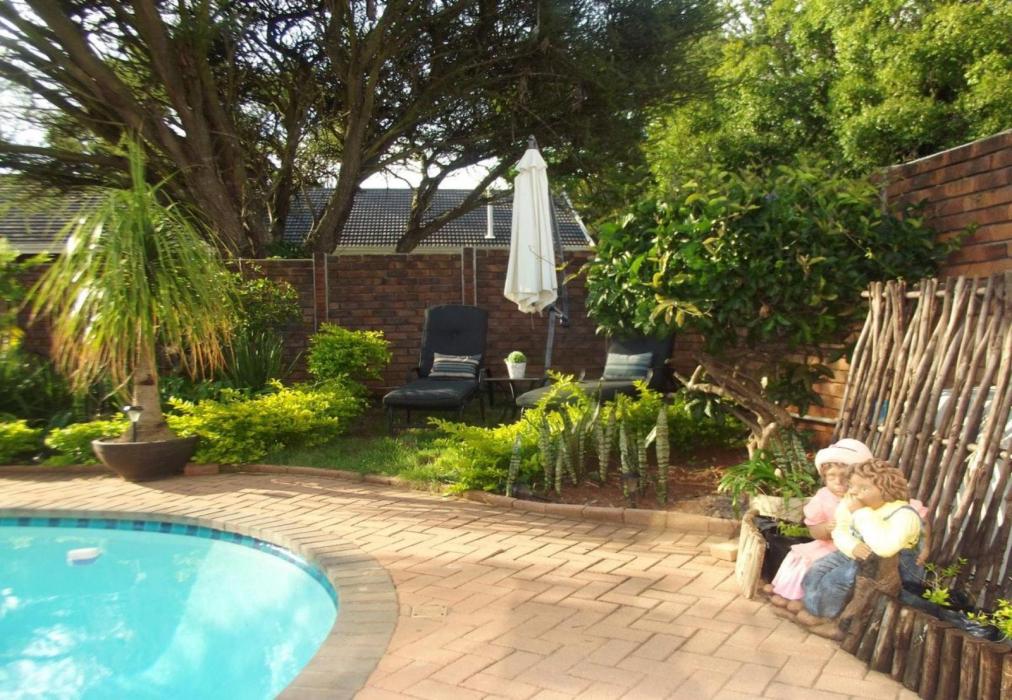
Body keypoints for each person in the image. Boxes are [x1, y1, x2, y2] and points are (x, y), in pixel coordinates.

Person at [797, 459, 924, 626]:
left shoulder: (903, 514)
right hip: (856, 551)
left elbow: (885, 548)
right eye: (852, 485)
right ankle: (814, 609)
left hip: (889, 564)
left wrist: (860, 512)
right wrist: (852, 546)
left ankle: (829, 618)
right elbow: (840, 529)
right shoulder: (852, 502)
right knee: (816, 570)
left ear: (885, 490)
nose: (854, 492)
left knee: (836, 581)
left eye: (863, 488)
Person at [766, 438, 873, 608]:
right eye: (831, 476)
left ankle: (807, 601)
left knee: (823, 567)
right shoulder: (823, 496)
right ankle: (788, 592)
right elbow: (813, 530)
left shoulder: (866, 497)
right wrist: (825, 529)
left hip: (851, 548)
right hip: (828, 543)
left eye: (845, 477)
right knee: (801, 558)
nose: (838, 482)